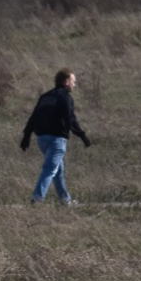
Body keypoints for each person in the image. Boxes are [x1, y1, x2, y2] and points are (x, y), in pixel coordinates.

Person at [22, 68, 92, 205]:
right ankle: (37, 198)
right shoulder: (65, 97)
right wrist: (82, 135)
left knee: (58, 170)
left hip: (42, 139)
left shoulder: (45, 97)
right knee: (49, 170)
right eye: (73, 81)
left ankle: (65, 200)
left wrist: (26, 135)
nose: (74, 84)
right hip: (56, 140)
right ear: (66, 82)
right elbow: (70, 118)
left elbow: (34, 117)